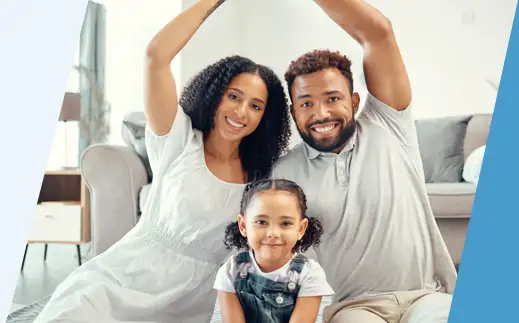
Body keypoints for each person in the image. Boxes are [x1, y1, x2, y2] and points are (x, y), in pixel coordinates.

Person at [34, 1, 292, 322]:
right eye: (234, 96)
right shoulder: (178, 138)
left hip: (194, 304)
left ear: (265, 117)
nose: (241, 112)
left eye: (255, 106)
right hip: (125, 279)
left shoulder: (262, 178)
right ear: (215, 94)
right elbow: (156, 56)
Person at [271, 0, 458, 322]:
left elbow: (379, 33)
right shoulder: (282, 174)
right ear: (293, 111)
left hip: (426, 296)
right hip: (353, 308)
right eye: (306, 103)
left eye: (333, 98)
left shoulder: (388, 125)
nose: (321, 114)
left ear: (354, 101)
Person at [214, 179, 334, 323]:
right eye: (261, 222)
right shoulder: (230, 271)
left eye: (285, 223)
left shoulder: (309, 274)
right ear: (243, 225)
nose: (273, 233)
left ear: (301, 229)